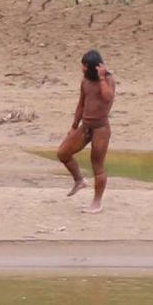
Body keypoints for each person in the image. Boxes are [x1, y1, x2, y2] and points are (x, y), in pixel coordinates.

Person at [56, 48, 116, 213]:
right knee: (63, 153)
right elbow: (81, 104)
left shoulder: (108, 80)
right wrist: (74, 126)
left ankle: (96, 202)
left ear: (93, 67)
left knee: (97, 166)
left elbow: (107, 97)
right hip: (86, 126)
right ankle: (79, 180)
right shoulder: (85, 81)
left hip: (101, 128)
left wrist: (102, 77)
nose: (81, 69)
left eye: (84, 66)